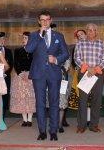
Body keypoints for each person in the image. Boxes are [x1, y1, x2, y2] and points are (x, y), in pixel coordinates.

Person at [25, 10, 69, 141]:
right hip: (38, 73)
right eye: (42, 20)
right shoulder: (33, 35)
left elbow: (65, 53)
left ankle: (53, 131)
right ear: (39, 21)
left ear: (51, 20)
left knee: (54, 102)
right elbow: (29, 49)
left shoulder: (58, 36)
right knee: (40, 103)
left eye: (47, 19)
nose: (45, 22)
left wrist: (56, 59)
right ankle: (42, 131)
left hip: (54, 73)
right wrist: (40, 35)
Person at [74, 23, 104, 133]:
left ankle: (94, 125)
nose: (91, 32)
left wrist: (95, 69)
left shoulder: (101, 43)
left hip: (97, 74)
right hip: (85, 73)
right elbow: (76, 58)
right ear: (86, 31)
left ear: (96, 32)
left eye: (93, 30)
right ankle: (81, 125)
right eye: (89, 30)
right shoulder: (80, 43)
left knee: (97, 101)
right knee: (82, 100)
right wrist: (88, 68)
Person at [10, 32, 36, 126]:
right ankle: (24, 119)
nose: (24, 39)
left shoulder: (34, 51)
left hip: (32, 76)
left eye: (26, 38)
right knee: (22, 97)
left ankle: (30, 119)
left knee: (31, 98)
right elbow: (15, 63)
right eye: (24, 37)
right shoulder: (18, 50)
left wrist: (30, 75)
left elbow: (35, 64)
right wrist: (20, 74)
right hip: (20, 76)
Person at [0, 32, 13, 118]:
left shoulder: (8, 51)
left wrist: (5, 73)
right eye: (0, 39)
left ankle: (2, 116)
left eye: (3, 39)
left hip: (5, 77)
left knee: (5, 97)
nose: (2, 40)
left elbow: (11, 65)